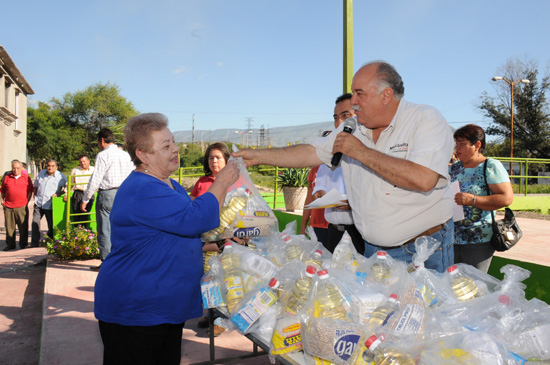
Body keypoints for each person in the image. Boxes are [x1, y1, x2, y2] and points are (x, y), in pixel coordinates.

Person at [234, 61, 455, 272]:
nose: (354, 101)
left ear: (386, 94)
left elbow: (424, 179)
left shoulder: (425, 119)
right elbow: (311, 151)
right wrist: (259, 156)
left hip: (423, 251)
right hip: (373, 251)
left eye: (360, 94)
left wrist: (361, 152)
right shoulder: (354, 127)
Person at [94, 113, 239, 364]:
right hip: (136, 309)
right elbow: (196, 218)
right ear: (143, 154)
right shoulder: (143, 188)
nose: (176, 149)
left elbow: (174, 233)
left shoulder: (167, 184)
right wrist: (223, 180)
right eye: (166, 146)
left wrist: (218, 243)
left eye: (173, 142)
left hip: (162, 307)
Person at [449, 124, 514, 272]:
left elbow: (506, 198)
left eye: (462, 144)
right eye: (456, 144)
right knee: (452, 284)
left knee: (475, 286)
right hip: (453, 238)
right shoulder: (454, 168)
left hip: (479, 240)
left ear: (477, 145)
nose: (457, 149)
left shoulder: (490, 166)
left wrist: (473, 200)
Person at [312, 94, 365, 255]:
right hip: (334, 232)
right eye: (336, 117)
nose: (339, 123)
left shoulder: (368, 152)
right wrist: (319, 193)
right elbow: (319, 183)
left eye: (346, 116)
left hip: (359, 233)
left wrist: (353, 204)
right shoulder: (330, 152)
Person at [190, 142, 232, 336]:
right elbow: (192, 207)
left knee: (223, 279)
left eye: (218, 157)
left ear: (226, 160)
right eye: (211, 157)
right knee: (207, 278)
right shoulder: (202, 182)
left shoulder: (235, 182)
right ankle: (210, 313)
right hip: (206, 239)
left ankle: (220, 320)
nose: (214, 161)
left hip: (228, 240)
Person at [81, 128, 134, 270]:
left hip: (107, 195)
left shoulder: (102, 155)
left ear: (102, 141)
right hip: (124, 194)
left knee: (105, 229)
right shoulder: (125, 155)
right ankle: (122, 262)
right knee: (122, 228)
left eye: (98, 142)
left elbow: (96, 178)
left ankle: (107, 264)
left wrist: (86, 198)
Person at [31, 159, 68, 246]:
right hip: (39, 203)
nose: (50, 168)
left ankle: (50, 242)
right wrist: (34, 194)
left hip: (50, 204)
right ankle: (34, 243)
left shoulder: (61, 177)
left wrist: (59, 194)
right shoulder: (41, 173)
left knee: (51, 225)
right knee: (35, 223)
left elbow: (67, 188)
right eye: (48, 166)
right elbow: (36, 185)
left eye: (52, 166)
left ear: (56, 167)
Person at [1, 160, 33, 250]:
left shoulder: (26, 177)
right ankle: (10, 245)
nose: (15, 170)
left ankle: (23, 244)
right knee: (9, 228)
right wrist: (2, 201)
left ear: (22, 168)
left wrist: (27, 200)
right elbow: (2, 190)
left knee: (23, 227)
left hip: (21, 206)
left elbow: (30, 190)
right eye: (14, 168)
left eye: (18, 168)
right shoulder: (7, 177)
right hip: (8, 206)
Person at [300, 163, 329, 246]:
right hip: (316, 225)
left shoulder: (341, 169)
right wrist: (303, 226)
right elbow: (309, 200)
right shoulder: (314, 170)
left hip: (335, 227)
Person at [65, 155, 95, 226]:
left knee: (85, 213)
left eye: (84, 161)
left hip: (89, 193)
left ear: (88, 161)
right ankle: (77, 233)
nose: (83, 163)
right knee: (76, 214)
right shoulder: (75, 170)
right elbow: (71, 183)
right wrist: (66, 193)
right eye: (81, 162)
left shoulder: (94, 170)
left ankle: (84, 233)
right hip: (78, 193)